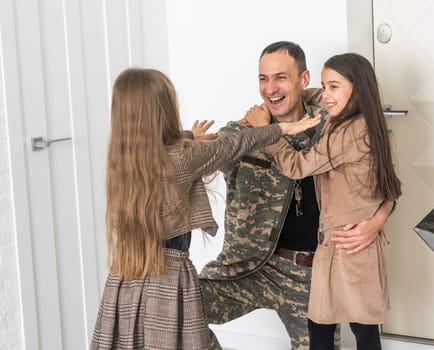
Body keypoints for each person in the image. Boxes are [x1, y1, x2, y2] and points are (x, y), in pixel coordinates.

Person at [89, 67, 320, 350]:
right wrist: (280, 129)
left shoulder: (124, 159)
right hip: (168, 274)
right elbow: (231, 145)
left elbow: (167, 149)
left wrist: (189, 137)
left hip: (128, 277)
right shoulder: (183, 159)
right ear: (162, 110)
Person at [199, 41, 394, 350]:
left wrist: (377, 221)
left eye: (280, 77)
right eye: (263, 78)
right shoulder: (244, 131)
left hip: (308, 275)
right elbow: (195, 160)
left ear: (304, 80)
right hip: (248, 268)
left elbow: (384, 178)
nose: (270, 88)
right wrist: (191, 142)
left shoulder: (336, 124)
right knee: (176, 310)